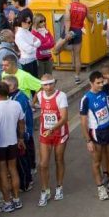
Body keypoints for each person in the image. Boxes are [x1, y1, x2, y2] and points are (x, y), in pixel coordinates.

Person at [80, 71, 109, 201]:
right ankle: (100, 187)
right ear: (91, 83)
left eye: (102, 82)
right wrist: (88, 140)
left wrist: (104, 76)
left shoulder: (105, 90)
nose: (101, 85)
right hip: (96, 133)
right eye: (98, 83)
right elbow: (83, 122)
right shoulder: (86, 99)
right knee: (97, 162)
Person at [0, 82, 24, 213]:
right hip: (13, 142)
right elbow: (21, 122)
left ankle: (7, 202)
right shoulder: (16, 104)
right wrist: (21, 138)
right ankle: (17, 199)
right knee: (13, 170)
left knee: (2, 173)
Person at [35, 74, 68, 206]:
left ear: (54, 84)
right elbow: (33, 103)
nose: (48, 87)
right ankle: (45, 190)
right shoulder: (40, 95)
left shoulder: (61, 96)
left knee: (58, 159)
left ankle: (59, 187)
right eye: (45, 85)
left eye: (50, 84)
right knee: (43, 164)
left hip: (59, 133)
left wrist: (52, 129)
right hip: (45, 134)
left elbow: (64, 118)